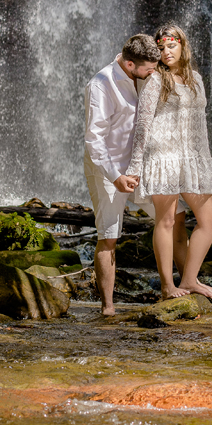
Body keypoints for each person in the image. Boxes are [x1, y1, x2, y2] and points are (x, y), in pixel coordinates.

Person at [125, 25, 212, 301]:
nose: (166, 52)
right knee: (167, 220)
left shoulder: (196, 79)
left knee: (210, 219)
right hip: (163, 156)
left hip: (192, 157)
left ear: (182, 45)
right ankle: (167, 286)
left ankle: (190, 280)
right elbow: (143, 124)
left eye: (171, 46)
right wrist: (135, 166)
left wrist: (210, 164)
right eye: (160, 48)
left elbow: (200, 126)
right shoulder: (156, 79)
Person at [84, 34, 175, 316]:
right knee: (109, 236)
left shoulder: (145, 75)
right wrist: (115, 176)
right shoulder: (102, 84)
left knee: (174, 216)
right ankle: (108, 309)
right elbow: (94, 140)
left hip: (141, 167)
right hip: (108, 170)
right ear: (130, 63)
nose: (154, 73)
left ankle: (176, 286)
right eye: (149, 69)